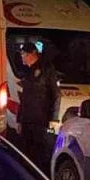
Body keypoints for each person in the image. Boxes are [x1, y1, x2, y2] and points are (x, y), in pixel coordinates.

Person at [16, 41, 59, 169]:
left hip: (41, 120)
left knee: (41, 154)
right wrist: (19, 120)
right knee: (26, 154)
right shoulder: (27, 71)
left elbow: (56, 95)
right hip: (27, 120)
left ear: (32, 54)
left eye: (24, 54)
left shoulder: (47, 69)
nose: (22, 57)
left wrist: (54, 118)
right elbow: (24, 98)